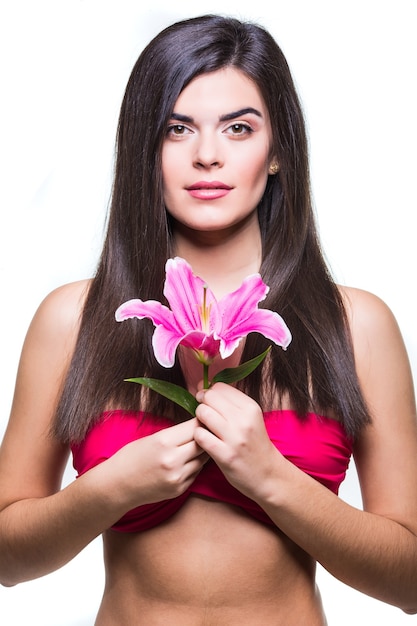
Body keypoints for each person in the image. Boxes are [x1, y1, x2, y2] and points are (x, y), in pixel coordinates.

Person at [1, 13, 416, 625]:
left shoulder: (355, 325)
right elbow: (7, 560)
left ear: (277, 153)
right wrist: (110, 488)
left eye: (238, 128)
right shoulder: (74, 320)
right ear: (147, 151)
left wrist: (272, 478)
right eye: (177, 129)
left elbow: (410, 583)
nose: (207, 156)